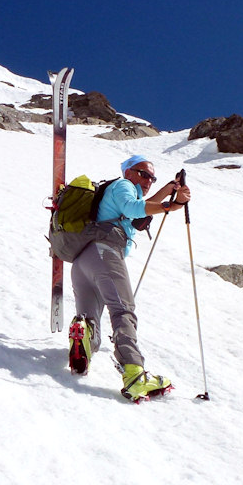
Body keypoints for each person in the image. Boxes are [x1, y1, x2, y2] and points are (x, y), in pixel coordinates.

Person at [69, 154, 191, 400]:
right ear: (128, 172)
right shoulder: (123, 185)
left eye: (152, 178)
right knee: (123, 310)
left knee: (90, 320)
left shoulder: (118, 192)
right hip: (105, 254)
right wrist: (170, 205)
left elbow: (140, 207)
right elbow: (134, 208)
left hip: (83, 262)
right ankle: (134, 374)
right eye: (144, 174)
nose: (148, 181)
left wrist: (170, 191)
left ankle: (83, 340)